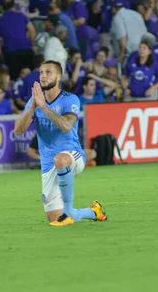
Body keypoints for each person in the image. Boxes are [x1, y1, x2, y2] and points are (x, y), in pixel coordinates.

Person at [13, 60, 107, 226]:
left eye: (48, 72)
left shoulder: (70, 99)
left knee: (60, 160)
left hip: (72, 156)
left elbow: (66, 126)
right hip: (48, 163)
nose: (43, 76)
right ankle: (93, 212)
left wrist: (43, 107)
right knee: (54, 218)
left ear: (59, 76)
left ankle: (69, 213)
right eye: (41, 72)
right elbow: (18, 131)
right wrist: (33, 107)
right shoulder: (35, 102)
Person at [0, 0, 36, 78]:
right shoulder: (22, 16)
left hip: (11, 53)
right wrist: (33, 44)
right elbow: (32, 30)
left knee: (14, 78)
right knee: (31, 77)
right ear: (14, 6)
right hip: (26, 50)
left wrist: (1, 55)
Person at [26, 135, 98, 168]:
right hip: (53, 159)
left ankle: (75, 164)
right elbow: (30, 151)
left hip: (69, 156)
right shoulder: (41, 135)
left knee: (92, 153)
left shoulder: (67, 132)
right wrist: (42, 158)